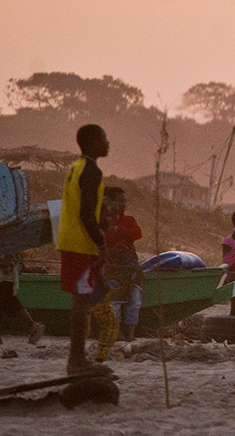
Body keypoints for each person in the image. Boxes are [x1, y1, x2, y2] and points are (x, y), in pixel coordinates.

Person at [58, 124, 111, 375]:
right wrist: (101, 243)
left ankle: (76, 359)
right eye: (104, 139)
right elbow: (86, 214)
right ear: (92, 143)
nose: (108, 143)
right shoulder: (91, 170)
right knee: (82, 300)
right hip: (80, 244)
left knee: (81, 298)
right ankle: (77, 360)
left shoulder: (75, 166)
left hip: (69, 240)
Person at [101, 186, 143, 342]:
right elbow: (105, 237)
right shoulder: (103, 220)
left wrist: (118, 230)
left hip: (130, 262)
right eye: (120, 200)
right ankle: (117, 333)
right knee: (115, 299)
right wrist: (122, 233)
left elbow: (138, 234)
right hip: (112, 263)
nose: (124, 204)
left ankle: (130, 334)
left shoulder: (129, 219)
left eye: (125, 200)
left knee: (135, 298)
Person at [0, 252, 44, 347]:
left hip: (4, 268)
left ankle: (32, 325)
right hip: (10, 270)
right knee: (7, 298)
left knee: (6, 298)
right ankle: (32, 325)